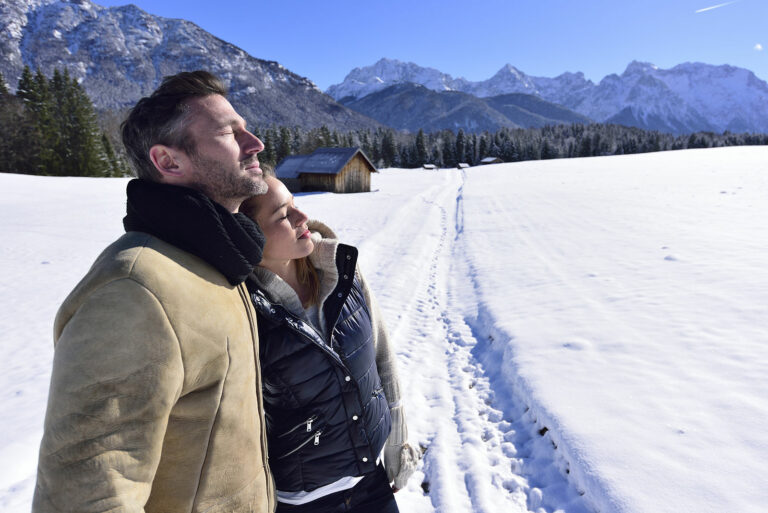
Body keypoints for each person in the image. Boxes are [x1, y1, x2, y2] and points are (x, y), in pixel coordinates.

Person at [32, 71, 276, 513]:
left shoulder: (216, 260)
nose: (255, 143)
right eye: (229, 133)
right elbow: (89, 494)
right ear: (168, 162)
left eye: (246, 128)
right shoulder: (135, 289)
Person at [241, 175, 420, 513]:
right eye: (283, 214)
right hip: (304, 502)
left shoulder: (339, 270)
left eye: (295, 204)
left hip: (372, 482)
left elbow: (379, 353)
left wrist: (397, 437)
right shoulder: (245, 310)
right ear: (249, 234)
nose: (301, 218)